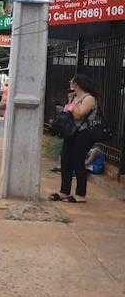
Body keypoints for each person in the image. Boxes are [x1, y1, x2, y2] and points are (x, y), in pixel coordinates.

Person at [50, 74, 98, 203]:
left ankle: (80, 194)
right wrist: (71, 101)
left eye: (72, 81)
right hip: (71, 132)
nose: (70, 83)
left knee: (78, 161)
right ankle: (64, 191)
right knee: (65, 161)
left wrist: (72, 104)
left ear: (78, 84)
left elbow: (78, 115)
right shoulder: (74, 97)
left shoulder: (89, 98)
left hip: (83, 134)